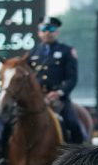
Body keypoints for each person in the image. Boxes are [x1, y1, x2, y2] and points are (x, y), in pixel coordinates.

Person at [27, 16, 85, 144]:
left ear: (57, 31)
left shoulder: (67, 51)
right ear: (39, 32)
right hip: (37, 98)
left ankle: (78, 156)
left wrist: (59, 93)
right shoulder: (32, 52)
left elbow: (72, 78)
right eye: (44, 29)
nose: (47, 32)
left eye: (51, 29)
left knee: (73, 124)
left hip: (59, 99)